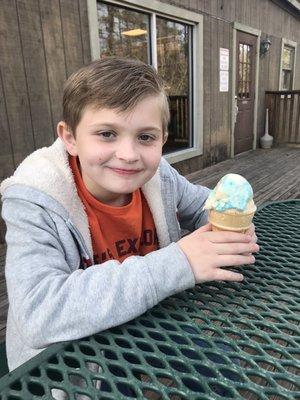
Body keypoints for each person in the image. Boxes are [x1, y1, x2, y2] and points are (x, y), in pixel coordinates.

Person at [0, 58, 258, 374]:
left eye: (145, 137)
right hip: (75, 364)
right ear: (70, 138)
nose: (128, 154)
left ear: (163, 139)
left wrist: (226, 235)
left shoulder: (159, 176)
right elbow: (38, 313)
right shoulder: (34, 201)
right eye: (107, 133)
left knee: (226, 374)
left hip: (153, 323)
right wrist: (181, 262)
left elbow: (202, 203)